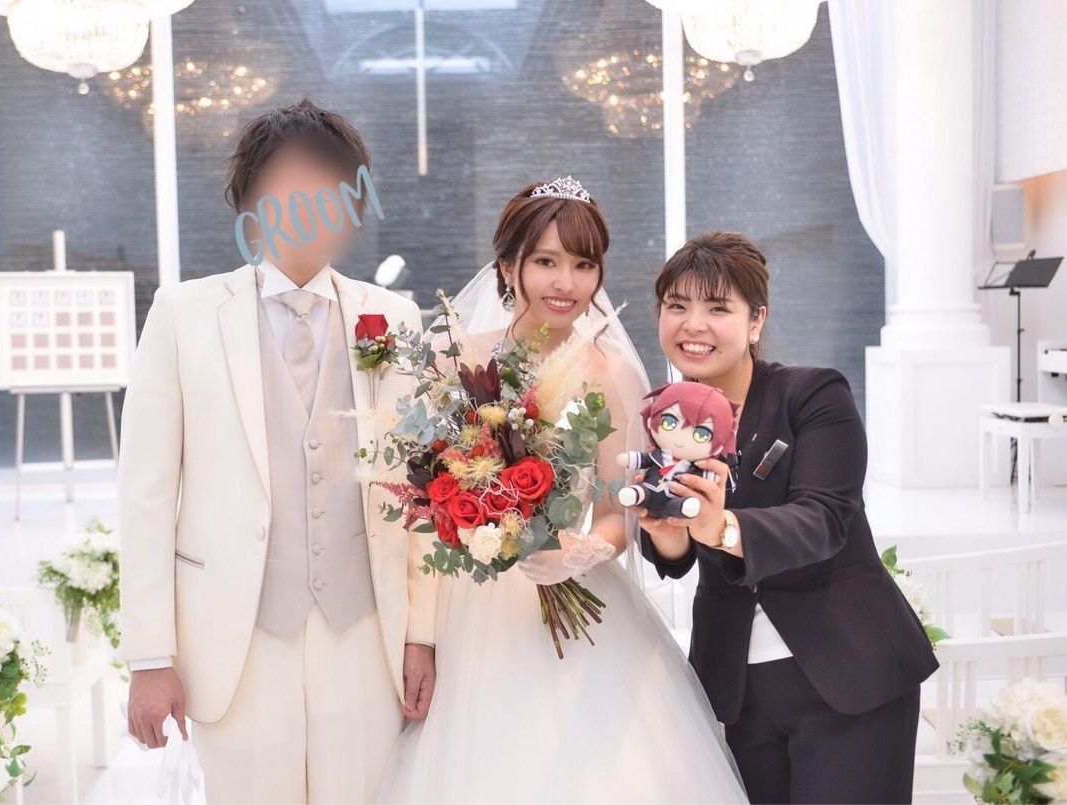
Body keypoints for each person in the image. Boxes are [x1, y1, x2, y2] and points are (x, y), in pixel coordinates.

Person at [378, 179, 747, 804]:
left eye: (583, 264)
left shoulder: (611, 373)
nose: (566, 282)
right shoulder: (456, 361)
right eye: (546, 261)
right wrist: (422, 636)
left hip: (575, 603)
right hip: (468, 610)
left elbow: (619, 509)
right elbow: (420, 511)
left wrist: (579, 552)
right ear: (508, 266)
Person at [117, 99, 437, 803]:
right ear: (250, 201)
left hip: (365, 633)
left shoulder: (395, 319)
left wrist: (422, 636)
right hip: (234, 637)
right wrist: (150, 656)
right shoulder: (184, 315)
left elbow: (421, 495)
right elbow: (144, 497)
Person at [637, 231, 939, 804]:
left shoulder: (813, 394)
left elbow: (824, 517)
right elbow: (674, 559)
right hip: (739, 685)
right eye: (676, 305)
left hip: (848, 672)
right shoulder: (667, 418)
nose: (693, 325)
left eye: (717, 308)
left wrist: (723, 528)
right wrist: (668, 534)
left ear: (756, 321)